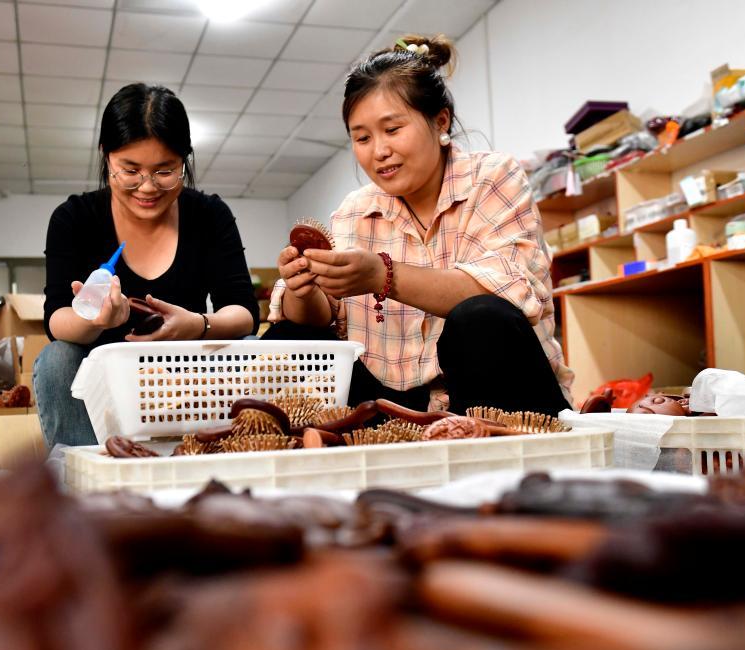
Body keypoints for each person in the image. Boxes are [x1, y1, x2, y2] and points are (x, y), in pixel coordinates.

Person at [266, 35, 573, 416]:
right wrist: (303, 289)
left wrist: (382, 275)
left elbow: (508, 295)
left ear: (440, 121)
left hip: (500, 393)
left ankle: (506, 445)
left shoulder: (492, 177)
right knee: (287, 337)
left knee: (480, 318)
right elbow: (324, 318)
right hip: (400, 405)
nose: (379, 151)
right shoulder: (355, 211)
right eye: (362, 137)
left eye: (393, 129)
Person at [35, 83, 259, 450]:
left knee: (248, 347)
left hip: (189, 376)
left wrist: (199, 325)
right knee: (58, 358)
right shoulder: (74, 219)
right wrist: (95, 320)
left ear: (184, 161)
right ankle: (84, 473)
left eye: (165, 171)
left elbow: (243, 311)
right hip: (104, 385)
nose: (147, 187)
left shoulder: (209, 216)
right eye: (130, 170)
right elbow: (57, 319)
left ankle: (226, 460)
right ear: (106, 155)